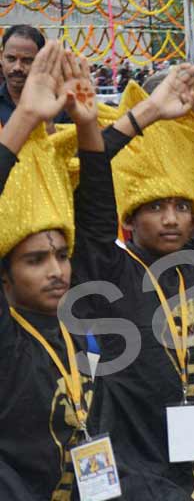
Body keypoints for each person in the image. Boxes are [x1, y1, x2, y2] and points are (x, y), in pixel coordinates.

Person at [69, 46, 194, 501]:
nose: (171, 219)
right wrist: (145, 115)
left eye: (182, 206)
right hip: (129, 453)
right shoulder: (107, 266)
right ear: (129, 218)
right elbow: (94, 182)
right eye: (155, 207)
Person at [0, 41, 95, 501]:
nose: (57, 270)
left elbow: (96, 207)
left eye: (61, 254)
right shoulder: (7, 338)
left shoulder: (76, 325)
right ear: (4, 277)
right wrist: (24, 119)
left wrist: (90, 122)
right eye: (35, 260)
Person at [0, 25, 70, 127]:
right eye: (11, 59)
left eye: (27, 60)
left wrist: (47, 121)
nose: (17, 67)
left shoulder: (63, 105)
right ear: (1, 57)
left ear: (42, 60)